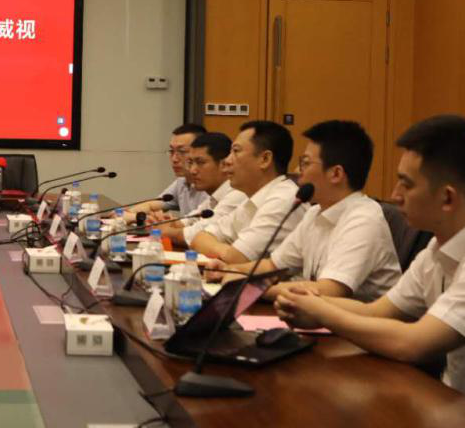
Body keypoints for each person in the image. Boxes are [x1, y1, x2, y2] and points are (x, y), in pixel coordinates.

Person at [276, 115, 465, 428]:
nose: (394, 195)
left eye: (406, 184)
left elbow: (412, 343)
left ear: (447, 198)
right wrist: (307, 300)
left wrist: (321, 311)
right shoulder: (439, 246)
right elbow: (378, 311)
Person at [218, 120, 399, 302]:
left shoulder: (363, 219)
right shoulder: (315, 213)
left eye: (305, 163)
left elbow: (327, 290)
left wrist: (248, 288)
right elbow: (273, 266)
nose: (297, 171)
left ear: (336, 174)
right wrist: (229, 270)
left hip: (357, 320)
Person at [188, 120, 304, 263]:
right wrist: (229, 252)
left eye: (236, 151)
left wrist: (229, 252)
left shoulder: (282, 200)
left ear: (265, 159)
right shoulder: (252, 200)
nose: (227, 160)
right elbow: (198, 239)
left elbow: (237, 258)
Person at [163, 132, 245, 245]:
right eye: (191, 163)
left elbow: (198, 234)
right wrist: (164, 222)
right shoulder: (214, 197)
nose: (192, 170)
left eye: (200, 163)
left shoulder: (237, 194)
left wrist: (164, 231)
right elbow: (187, 221)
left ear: (224, 164)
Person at [129, 123, 209, 218]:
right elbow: (151, 205)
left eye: (182, 151)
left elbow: (199, 224)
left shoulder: (210, 187)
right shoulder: (182, 181)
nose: (174, 159)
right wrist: (123, 215)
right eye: (171, 151)